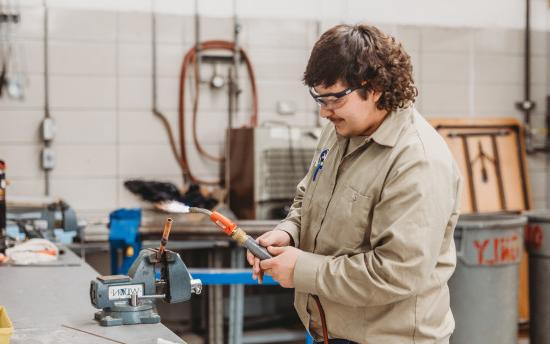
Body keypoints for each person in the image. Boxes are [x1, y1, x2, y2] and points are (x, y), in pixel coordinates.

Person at [247, 23, 462, 344]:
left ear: (373, 88)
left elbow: (397, 272)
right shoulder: (340, 131)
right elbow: (307, 197)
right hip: (333, 330)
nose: (324, 113)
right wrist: (288, 232)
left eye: (333, 99)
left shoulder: (417, 160)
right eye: (319, 99)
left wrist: (302, 269)